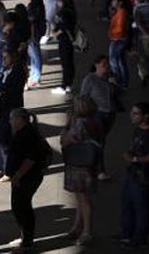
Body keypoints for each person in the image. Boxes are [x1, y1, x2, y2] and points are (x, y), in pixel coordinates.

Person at [117, 102, 149, 249]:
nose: (132, 115)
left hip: (143, 176)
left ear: (146, 116)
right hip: (132, 173)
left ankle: (140, 238)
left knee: (141, 208)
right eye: (132, 112)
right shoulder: (137, 130)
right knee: (127, 204)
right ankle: (126, 233)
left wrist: (135, 159)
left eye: (136, 113)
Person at [60, 96, 102, 246]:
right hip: (89, 162)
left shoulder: (80, 123)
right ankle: (78, 226)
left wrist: (67, 125)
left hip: (79, 163)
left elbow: (66, 140)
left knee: (83, 199)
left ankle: (86, 231)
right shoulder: (95, 121)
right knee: (81, 197)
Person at [6, 108, 48, 253]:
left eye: (12, 119)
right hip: (24, 176)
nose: (10, 121)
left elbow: (30, 159)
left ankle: (27, 242)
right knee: (20, 206)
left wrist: (17, 175)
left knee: (21, 207)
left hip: (27, 177)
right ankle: (25, 237)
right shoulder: (25, 132)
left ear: (20, 119)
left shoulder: (27, 135)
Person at [81, 55, 121, 181]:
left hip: (110, 114)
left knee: (100, 141)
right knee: (100, 142)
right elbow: (83, 97)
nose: (106, 66)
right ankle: (100, 170)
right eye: (103, 64)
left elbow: (118, 94)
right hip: (97, 114)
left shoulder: (109, 78)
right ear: (96, 65)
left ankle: (92, 166)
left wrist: (114, 84)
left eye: (107, 64)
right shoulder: (90, 79)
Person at [0, 48, 26, 178]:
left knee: (7, 139)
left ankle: (8, 170)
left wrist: (1, 84)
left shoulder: (18, 71)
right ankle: (3, 167)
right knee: (3, 138)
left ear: (13, 58)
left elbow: (7, 88)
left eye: (6, 57)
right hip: (4, 108)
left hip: (12, 108)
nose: (4, 60)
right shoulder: (5, 70)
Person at [50, 0, 77, 95]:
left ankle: (64, 86)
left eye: (60, 0)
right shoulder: (72, 11)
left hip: (64, 41)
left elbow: (64, 26)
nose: (58, 2)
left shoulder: (64, 12)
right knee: (69, 63)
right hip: (70, 41)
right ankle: (68, 84)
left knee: (65, 63)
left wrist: (56, 33)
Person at [108, 0, 132, 89]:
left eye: (114, 1)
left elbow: (120, 28)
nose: (112, 2)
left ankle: (117, 81)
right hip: (121, 39)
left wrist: (111, 33)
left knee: (114, 61)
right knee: (121, 61)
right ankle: (123, 83)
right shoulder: (120, 12)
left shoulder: (122, 13)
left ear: (120, 3)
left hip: (118, 40)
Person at [25, 0, 46, 88]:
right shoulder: (39, 5)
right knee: (33, 54)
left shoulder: (34, 6)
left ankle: (36, 77)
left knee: (35, 54)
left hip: (34, 32)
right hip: (35, 32)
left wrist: (26, 17)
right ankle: (34, 75)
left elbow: (33, 18)